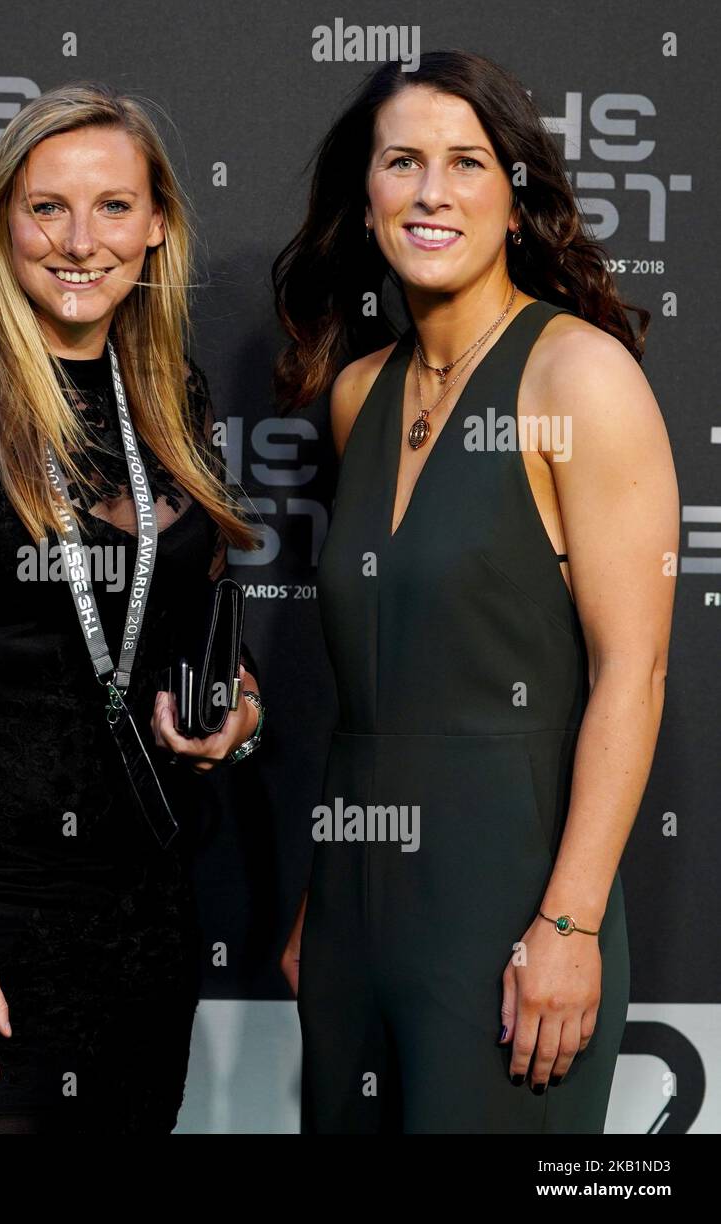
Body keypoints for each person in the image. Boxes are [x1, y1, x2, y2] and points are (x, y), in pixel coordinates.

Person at [0, 81, 264, 1133]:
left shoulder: (173, 401)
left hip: (140, 921)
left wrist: (235, 715)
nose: (81, 241)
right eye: (46, 209)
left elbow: (183, 631)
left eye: (113, 207)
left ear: (157, 223)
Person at [273, 50, 677, 1132]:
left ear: (514, 197)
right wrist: (330, 892)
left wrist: (570, 924)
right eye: (402, 161)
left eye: (465, 162)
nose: (432, 191)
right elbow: (374, 689)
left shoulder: (576, 376)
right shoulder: (360, 394)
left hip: (511, 898)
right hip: (355, 909)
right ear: (365, 202)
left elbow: (630, 673)